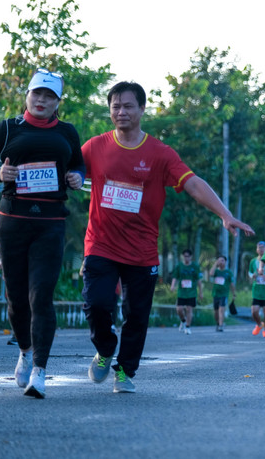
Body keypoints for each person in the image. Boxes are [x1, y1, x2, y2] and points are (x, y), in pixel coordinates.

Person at [81, 81, 253, 394]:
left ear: (142, 109)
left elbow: (193, 184)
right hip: (101, 244)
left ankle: (126, 371)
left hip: (141, 251)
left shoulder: (160, 153)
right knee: (96, 303)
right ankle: (105, 349)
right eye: (116, 106)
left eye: (128, 106)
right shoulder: (95, 147)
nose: (121, 112)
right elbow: (69, 169)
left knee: (137, 316)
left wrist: (225, 214)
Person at [0, 69, 85, 398]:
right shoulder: (7, 128)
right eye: (37, 94)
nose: (42, 101)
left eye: (49, 97)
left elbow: (77, 164)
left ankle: (40, 370)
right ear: (27, 95)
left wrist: (76, 176)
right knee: (17, 300)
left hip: (50, 223)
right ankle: (25, 351)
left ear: (58, 102)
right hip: (12, 221)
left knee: (41, 296)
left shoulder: (67, 131)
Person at [169, 249, 202, 335]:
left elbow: (198, 280)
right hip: (182, 292)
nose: (186, 258)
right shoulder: (179, 266)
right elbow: (175, 277)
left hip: (191, 292)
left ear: (191, 257)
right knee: (179, 309)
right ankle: (183, 321)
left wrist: (200, 292)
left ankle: (188, 327)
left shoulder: (195, 266)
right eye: (185, 256)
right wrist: (172, 286)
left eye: (188, 256)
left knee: (189, 309)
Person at [248, 241, 265, 337]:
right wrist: (252, 275)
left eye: (262, 247)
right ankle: (259, 324)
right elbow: (249, 272)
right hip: (256, 290)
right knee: (254, 311)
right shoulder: (253, 261)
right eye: (259, 247)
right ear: (257, 250)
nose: (260, 249)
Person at [208, 256, 234, 332]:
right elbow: (211, 274)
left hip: (224, 294)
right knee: (216, 312)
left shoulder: (228, 272)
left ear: (225, 262)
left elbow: (232, 284)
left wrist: (233, 294)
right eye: (219, 260)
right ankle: (218, 323)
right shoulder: (216, 271)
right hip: (215, 294)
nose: (221, 262)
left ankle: (221, 325)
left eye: (222, 260)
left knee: (221, 310)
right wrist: (215, 264)